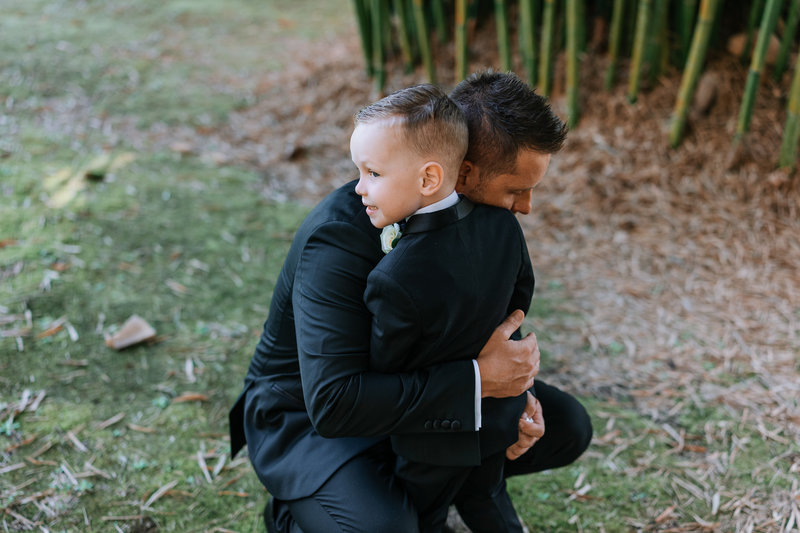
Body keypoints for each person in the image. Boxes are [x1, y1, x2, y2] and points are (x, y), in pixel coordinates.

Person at [229, 71, 592, 533]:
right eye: (515, 189)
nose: (525, 207)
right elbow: (334, 401)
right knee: (386, 528)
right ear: (457, 174)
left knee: (567, 427)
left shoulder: (480, 221)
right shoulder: (339, 239)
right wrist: (478, 382)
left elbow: (482, 315)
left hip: (410, 391)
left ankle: (430, 484)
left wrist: (516, 391)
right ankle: (299, 515)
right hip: (313, 417)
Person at [353, 84, 535, 532]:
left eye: (372, 173)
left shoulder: (393, 278)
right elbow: (521, 297)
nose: (359, 187)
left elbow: (388, 367)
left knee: (424, 518)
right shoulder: (502, 226)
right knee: (489, 497)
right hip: (498, 417)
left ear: (429, 179)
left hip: (431, 442)